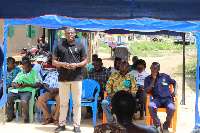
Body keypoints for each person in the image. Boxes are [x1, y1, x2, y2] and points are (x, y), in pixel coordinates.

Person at [52, 27, 87, 133]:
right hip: (63, 78)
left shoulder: (80, 45)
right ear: (65, 34)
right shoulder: (59, 45)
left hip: (76, 78)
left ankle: (77, 125)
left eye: (72, 33)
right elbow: (54, 61)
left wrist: (76, 65)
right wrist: (62, 64)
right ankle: (61, 124)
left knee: (77, 103)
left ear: (75, 34)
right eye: (68, 33)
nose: (70, 34)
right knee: (63, 103)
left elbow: (85, 61)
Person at [144, 62, 177, 133]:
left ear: (159, 69)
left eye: (156, 68)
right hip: (157, 99)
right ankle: (157, 124)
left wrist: (175, 91)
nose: (154, 70)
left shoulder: (165, 76)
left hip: (167, 99)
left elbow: (175, 82)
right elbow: (147, 91)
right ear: (150, 68)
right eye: (153, 68)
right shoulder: (147, 79)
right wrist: (153, 79)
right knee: (151, 106)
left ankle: (166, 125)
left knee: (172, 108)